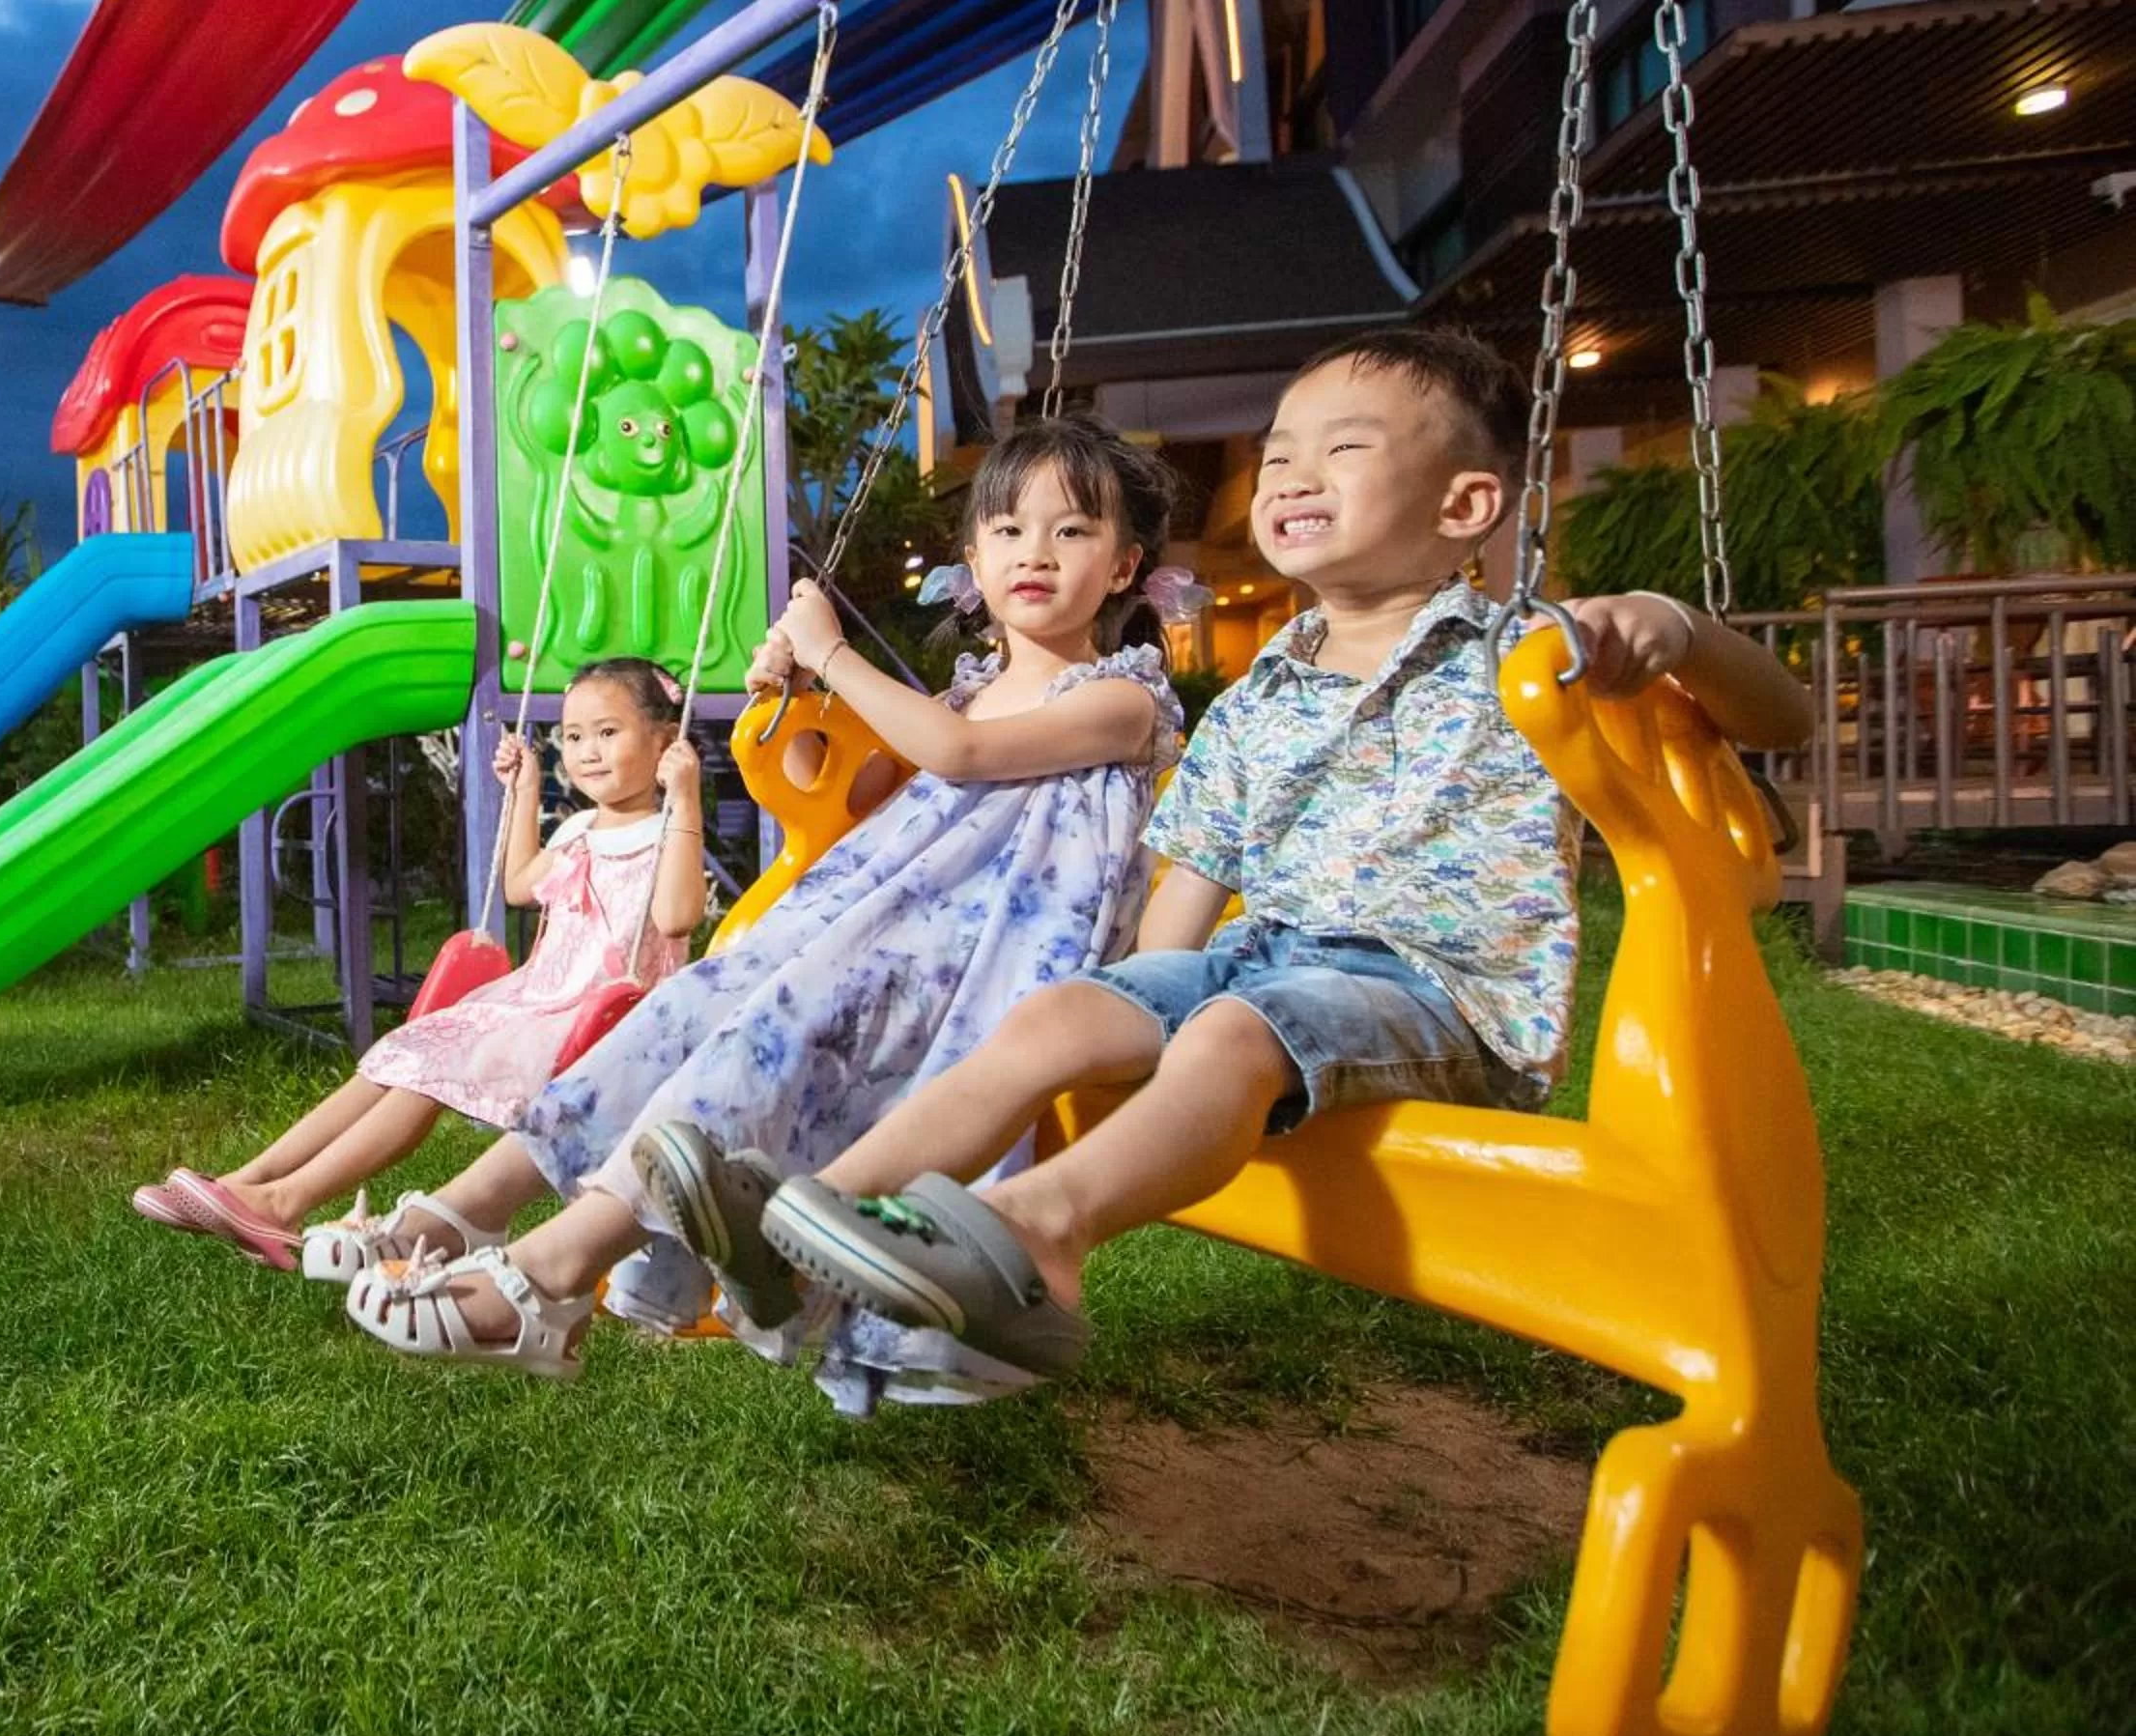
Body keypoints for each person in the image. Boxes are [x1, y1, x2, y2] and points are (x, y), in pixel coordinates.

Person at [645, 327, 1817, 1382]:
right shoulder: (1263, 696)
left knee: (1227, 1032)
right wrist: (1123, 1005)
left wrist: (1681, 625)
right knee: (1064, 1016)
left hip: (1435, 991)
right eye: (1282, 451)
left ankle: (1038, 1235)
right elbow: (1186, 900)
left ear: (1464, 505)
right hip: (1263, 962)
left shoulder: (1533, 651)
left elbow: (1785, 719)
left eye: (1341, 450)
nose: (1293, 474)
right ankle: (805, 1222)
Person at [333, 412, 1201, 1392]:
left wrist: (833, 653)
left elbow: (959, 760)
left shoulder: (1122, 699)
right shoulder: (967, 693)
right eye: (1008, 529)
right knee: (685, 1007)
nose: (1033, 552)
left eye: (1071, 530)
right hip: (875, 925)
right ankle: (475, 1202)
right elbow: (879, 803)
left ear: (1125, 566)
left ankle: (552, 1272)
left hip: (972, 966)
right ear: (974, 558)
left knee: (769, 1030)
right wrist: (795, 701)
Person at [132, 657, 705, 1265]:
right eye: (572, 736)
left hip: (600, 1021)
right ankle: (245, 1184)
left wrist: (687, 800)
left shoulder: (666, 832)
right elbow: (517, 885)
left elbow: (675, 919)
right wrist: (526, 788)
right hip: (531, 1000)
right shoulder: (579, 829)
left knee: (426, 1074)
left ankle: (283, 1203)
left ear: (665, 742)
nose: (587, 750)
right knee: (397, 1058)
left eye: (608, 732)